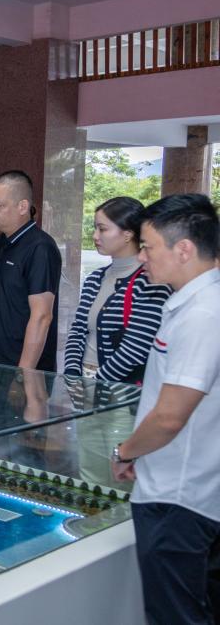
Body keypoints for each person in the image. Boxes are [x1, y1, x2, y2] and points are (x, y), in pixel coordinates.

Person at [111, 193, 220, 625]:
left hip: (179, 499)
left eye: (148, 247)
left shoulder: (202, 315)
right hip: (190, 489)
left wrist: (126, 451)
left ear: (184, 249)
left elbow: (171, 415)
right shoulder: (196, 305)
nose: (141, 258)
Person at [65, 197, 171, 385]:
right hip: (83, 380)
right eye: (95, 228)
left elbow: (135, 349)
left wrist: (98, 382)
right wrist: (72, 375)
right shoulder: (94, 278)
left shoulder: (151, 282)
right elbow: (78, 330)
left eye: (103, 229)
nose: (95, 236)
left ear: (128, 234)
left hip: (119, 388)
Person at [0, 170, 61, 371]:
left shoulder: (40, 248)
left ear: (23, 207)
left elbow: (42, 317)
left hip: (21, 369)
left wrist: (23, 374)